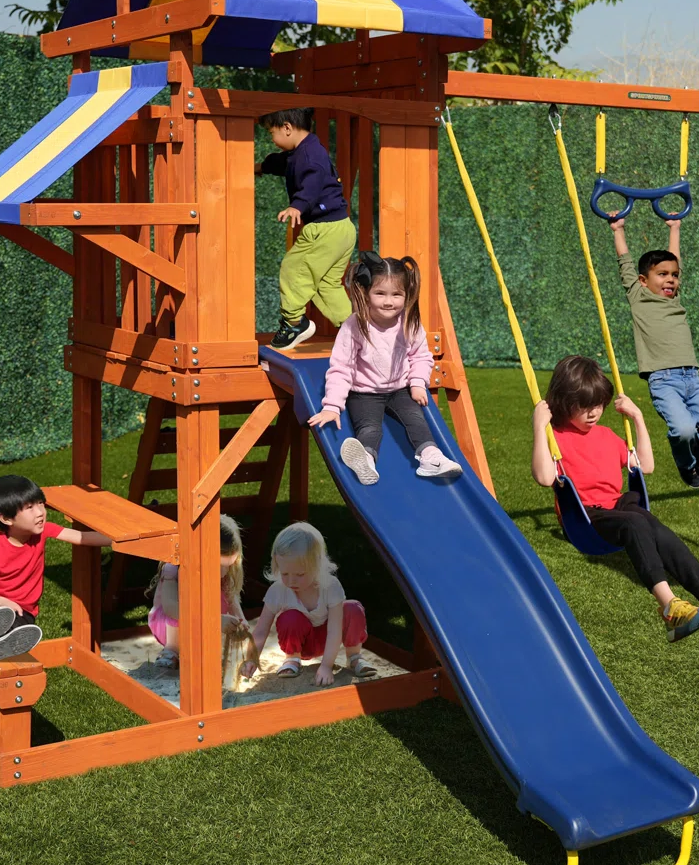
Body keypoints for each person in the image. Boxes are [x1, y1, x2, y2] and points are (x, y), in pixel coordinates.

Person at [530, 355, 699, 642]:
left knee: (655, 527)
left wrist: (638, 418)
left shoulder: (606, 435)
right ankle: (670, 606)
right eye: (583, 406)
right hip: (585, 516)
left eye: (598, 404)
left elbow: (645, 466)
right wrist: (538, 427)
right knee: (635, 523)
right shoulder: (554, 437)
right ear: (562, 401)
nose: (593, 412)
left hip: (620, 506)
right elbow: (545, 478)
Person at [309, 252, 463, 485]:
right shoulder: (356, 326)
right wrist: (332, 406)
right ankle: (366, 460)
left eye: (396, 294)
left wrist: (418, 383)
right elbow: (341, 368)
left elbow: (421, 357)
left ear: (406, 295)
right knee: (370, 427)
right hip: (364, 393)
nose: (388, 301)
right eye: (380, 293)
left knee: (416, 419)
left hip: (400, 390)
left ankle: (431, 458)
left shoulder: (409, 323)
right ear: (366, 293)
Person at [609, 214, 699, 489]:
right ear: (642, 280)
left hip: (692, 379)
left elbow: (675, 258)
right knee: (683, 429)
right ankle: (687, 465)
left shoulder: (675, 299)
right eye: (662, 275)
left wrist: (675, 227)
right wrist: (618, 229)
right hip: (663, 381)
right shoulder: (638, 297)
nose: (670, 280)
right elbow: (625, 261)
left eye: (674, 275)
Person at [0, 475, 111, 663]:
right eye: (30, 508)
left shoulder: (43, 531)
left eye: (40, 503)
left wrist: (118, 540)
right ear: (6, 518)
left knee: (20, 628)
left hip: (21, 612)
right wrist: (2, 603)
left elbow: (82, 537)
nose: (40, 512)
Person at [255, 107, 356, 350]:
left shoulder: (310, 157)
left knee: (292, 270)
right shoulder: (304, 151)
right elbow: (284, 163)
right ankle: (356, 332)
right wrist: (261, 167)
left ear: (287, 128)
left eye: (272, 133)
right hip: (342, 228)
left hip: (323, 230)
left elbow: (312, 180)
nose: (272, 139)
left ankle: (294, 323)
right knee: (327, 284)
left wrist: (297, 206)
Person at [243, 522, 376, 685]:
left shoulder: (330, 586)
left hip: (329, 639)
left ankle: (354, 657)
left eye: (299, 574)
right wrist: (251, 659)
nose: (291, 580)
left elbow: (335, 630)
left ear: (317, 566)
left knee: (352, 608)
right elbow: (261, 631)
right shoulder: (278, 590)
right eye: (285, 573)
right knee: (289, 617)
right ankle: (292, 659)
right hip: (301, 644)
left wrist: (326, 666)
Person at [146, 514, 249, 669]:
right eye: (218, 565)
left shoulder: (224, 574)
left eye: (228, 565)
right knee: (181, 605)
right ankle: (171, 650)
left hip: (203, 623)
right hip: (170, 627)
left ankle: (203, 648)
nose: (223, 572)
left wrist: (241, 620)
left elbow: (232, 598)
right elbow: (170, 607)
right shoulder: (174, 569)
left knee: (223, 593)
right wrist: (213, 619)